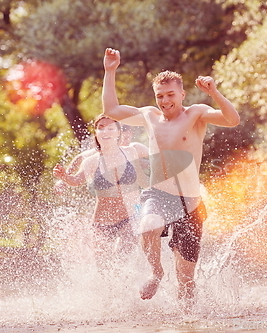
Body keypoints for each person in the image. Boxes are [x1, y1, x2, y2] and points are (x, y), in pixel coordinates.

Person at [102, 47, 240, 306]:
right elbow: (111, 109)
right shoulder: (149, 116)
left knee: (186, 281)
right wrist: (110, 71)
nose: (165, 101)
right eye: (160, 96)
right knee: (147, 228)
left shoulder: (196, 113)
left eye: (170, 95)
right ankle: (156, 273)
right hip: (158, 194)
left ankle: (188, 321)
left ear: (182, 94)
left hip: (190, 202)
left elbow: (232, 119)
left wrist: (214, 93)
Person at [53, 114, 149, 254]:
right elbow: (76, 179)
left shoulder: (132, 150)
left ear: (119, 132)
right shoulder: (91, 160)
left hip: (130, 215)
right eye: (101, 128)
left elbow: (152, 165)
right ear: (97, 133)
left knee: (122, 256)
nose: (106, 132)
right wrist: (64, 177)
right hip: (102, 220)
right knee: (103, 267)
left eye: (111, 128)